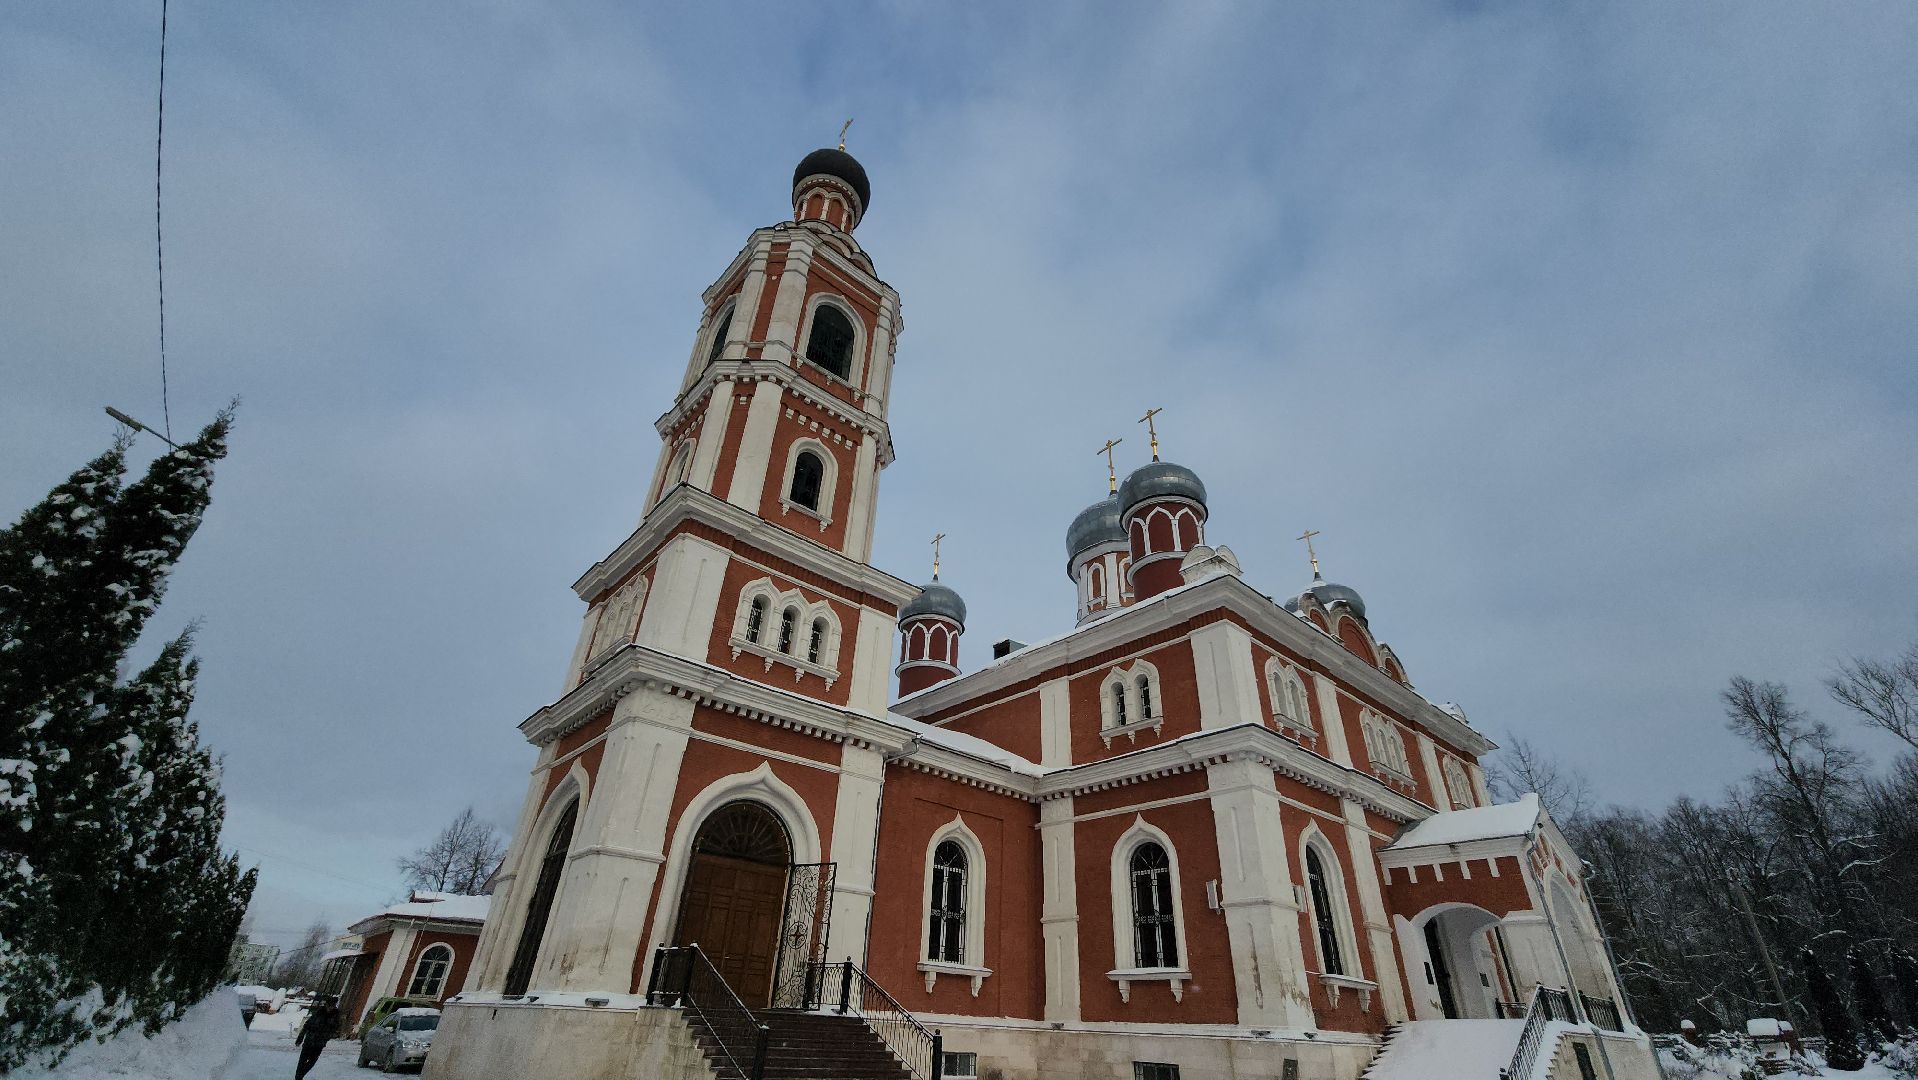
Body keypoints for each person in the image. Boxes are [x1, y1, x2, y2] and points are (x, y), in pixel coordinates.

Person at [294, 995, 340, 1080]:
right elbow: (307, 1025)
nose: (330, 1008)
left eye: (332, 1006)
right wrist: (300, 1037)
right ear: (326, 1005)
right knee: (302, 1060)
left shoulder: (335, 1015)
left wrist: (328, 1036)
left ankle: (300, 1075)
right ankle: (298, 1077)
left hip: (320, 1042)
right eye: (329, 1006)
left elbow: (336, 1028)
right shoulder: (319, 1012)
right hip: (309, 1040)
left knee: (312, 1061)